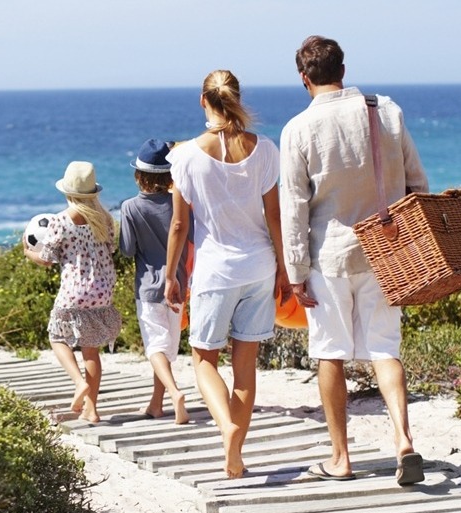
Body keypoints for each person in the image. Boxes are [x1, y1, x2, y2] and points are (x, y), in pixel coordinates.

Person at [277, 35, 431, 485]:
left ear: (304, 79)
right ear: (343, 69)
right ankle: (403, 440)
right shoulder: (386, 111)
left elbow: (294, 208)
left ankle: (341, 458)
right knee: (386, 349)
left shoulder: (298, 129)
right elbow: (417, 183)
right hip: (387, 253)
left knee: (330, 353)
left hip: (330, 257)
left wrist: (295, 272)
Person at [163, 70, 287, 479]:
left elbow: (180, 226)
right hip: (259, 267)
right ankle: (236, 454)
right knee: (245, 367)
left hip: (216, 272)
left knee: (203, 360)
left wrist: (170, 275)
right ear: (235, 97)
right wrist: (285, 269)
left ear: (203, 101)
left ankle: (226, 428)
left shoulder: (183, 156)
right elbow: (274, 216)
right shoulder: (265, 149)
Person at [24, 161, 122, 424]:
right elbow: (109, 250)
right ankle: (91, 409)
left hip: (74, 291)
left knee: (57, 337)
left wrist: (27, 252)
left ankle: (79, 383)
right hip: (102, 291)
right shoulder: (106, 220)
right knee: (91, 351)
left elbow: (47, 259)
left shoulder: (59, 221)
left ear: (67, 192)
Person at [118, 139, 189, 424]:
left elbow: (126, 249)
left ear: (139, 175)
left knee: (155, 347)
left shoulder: (130, 207)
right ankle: (156, 404)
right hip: (179, 283)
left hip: (148, 286)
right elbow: (189, 238)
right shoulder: (180, 203)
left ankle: (173, 393)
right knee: (168, 347)